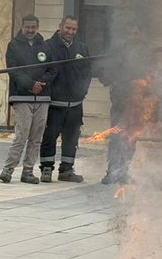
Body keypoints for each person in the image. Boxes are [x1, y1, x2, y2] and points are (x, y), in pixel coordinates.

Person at [38, 16, 91, 183]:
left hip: (75, 103)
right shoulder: (47, 46)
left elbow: (87, 72)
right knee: (50, 136)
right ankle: (46, 169)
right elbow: (41, 71)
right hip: (54, 103)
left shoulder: (81, 48)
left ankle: (67, 170)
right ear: (61, 26)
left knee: (72, 138)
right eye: (67, 28)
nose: (70, 32)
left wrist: (82, 92)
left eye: (74, 29)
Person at [0, 14, 48, 184]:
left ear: (38, 27)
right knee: (22, 133)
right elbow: (13, 70)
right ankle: (8, 169)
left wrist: (43, 83)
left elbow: (52, 69)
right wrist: (30, 84)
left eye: (33, 27)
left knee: (36, 136)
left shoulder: (45, 46)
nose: (30, 30)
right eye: (27, 27)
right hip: (21, 96)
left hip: (42, 97)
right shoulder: (13, 46)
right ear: (22, 27)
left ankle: (28, 171)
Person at [99, 24, 150, 185]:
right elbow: (104, 71)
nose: (134, 36)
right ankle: (112, 171)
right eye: (132, 33)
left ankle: (124, 171)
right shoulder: (118, 52)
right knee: (116, 135)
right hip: (120, 100)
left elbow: (151, 75)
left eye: (137, 33)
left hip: (137, 102)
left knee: (131, 138)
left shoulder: (146, 53)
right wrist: (114, 82)